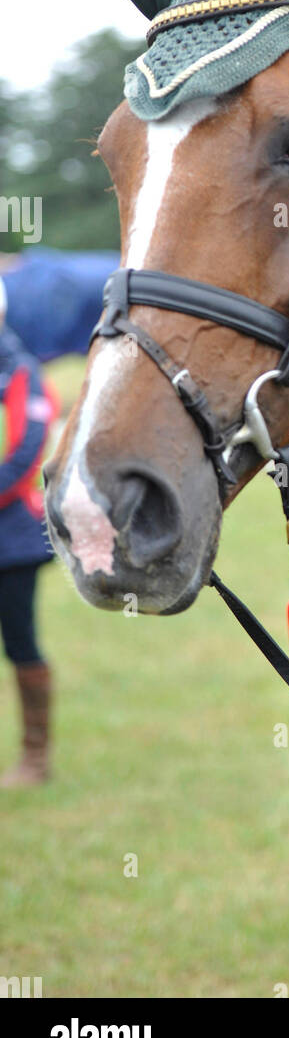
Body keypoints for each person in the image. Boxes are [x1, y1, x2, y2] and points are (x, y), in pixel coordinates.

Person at [0, 277, 58, 787]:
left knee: (20, 644)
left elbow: (24, 452)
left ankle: (34, 756)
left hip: (11, 539)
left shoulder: (20, 371)